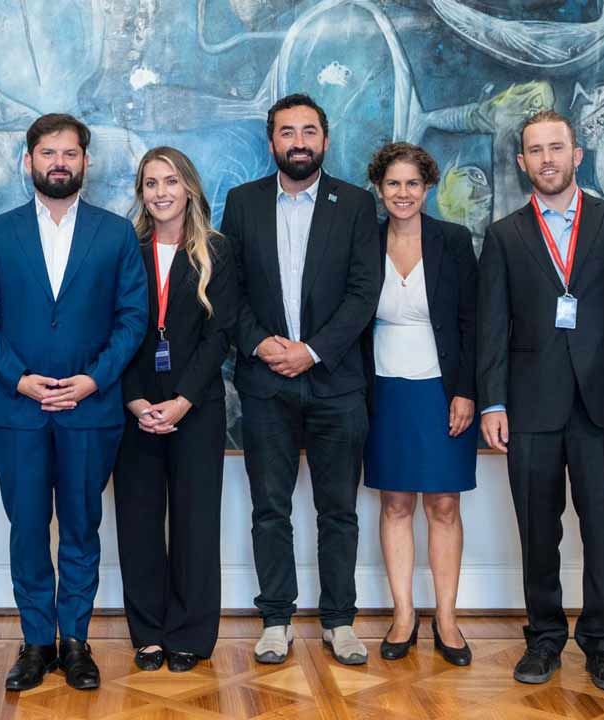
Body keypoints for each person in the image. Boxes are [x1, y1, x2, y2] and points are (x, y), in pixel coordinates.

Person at [478, 110, 604, 692]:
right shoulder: (504, 235)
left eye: (556, 148)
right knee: (538, 531)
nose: (547, 159)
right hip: (530, 407)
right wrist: (492, 403)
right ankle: (543, 640)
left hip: (603, 403)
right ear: (522, 162)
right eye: (535, 150)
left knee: (603, 532)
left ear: (576, 154)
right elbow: (491, 327)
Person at [0, 113, 147, 692]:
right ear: (29, 161)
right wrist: (20, 379)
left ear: (86, 162)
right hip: (17, 411)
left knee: (81, 528)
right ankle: (36, 643)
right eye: (48, 153)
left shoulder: (115, 234)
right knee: (27, 530)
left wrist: (93, 380)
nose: (59, 162)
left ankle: (76, 643)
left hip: (90, 410)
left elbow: (133, 319)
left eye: (70, 153)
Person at [221, 93, 380, 666]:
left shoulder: (356, 204)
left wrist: (311, 352)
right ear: (271, 142)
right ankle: (276, 619)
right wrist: (261, 344)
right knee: (270, 507)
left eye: (309, 131)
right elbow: (228, 288)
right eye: (287, 132)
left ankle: (339, 621)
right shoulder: (242, 203)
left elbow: (364, 292)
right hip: (266, 381)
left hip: (335, 382)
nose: (299, 142)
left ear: (325, 140)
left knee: (339, 510)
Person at [113, 147, 238, 673]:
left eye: (170, 181)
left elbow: (220, 336)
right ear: (141, 192)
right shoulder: (126, 249)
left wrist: (183, 401)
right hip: (136, 408)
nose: (160, 192)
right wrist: (136, 400)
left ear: (189, 187)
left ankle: (189, 633)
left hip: (197, 406)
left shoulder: (218, 251)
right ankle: (148, 632)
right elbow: (112, 330)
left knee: (194, 521)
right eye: (150, 183)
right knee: (138, 522)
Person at [361, 142, 478, 667]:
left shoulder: (453, 241)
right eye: (393, 183)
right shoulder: (363, 240)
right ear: (379, 189)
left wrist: (466, 390)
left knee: (444, 505)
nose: (402, 193)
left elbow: (474, 321)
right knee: (395, 504)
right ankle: (404, 615)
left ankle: (447, 619)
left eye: (412, 183)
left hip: (442, 391)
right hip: (384, 390)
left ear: (427, 188)